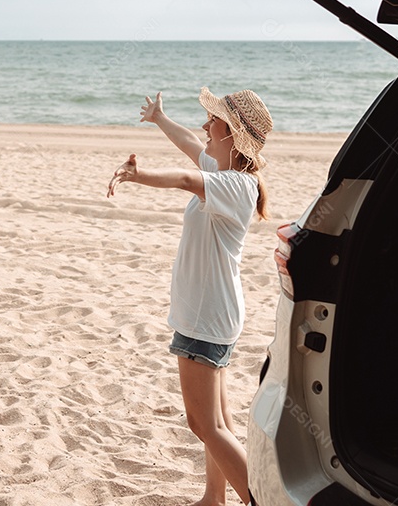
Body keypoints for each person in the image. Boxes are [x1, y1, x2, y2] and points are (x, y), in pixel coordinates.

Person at [107, 88, 273, 506]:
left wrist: (137, 175)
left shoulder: (235, 185)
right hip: (212, 313)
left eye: (213, 120)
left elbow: (184, 179)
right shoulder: (225, 175)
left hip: (207, 317)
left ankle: (261, 501)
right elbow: (189, 146)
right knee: (219, 422)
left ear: (232, 134)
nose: (204, 125)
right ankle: (214, 497)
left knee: (204, 425)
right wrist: (159, 118)